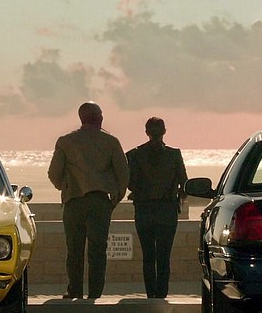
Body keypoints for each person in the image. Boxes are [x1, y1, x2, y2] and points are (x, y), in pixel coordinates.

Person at [48, 101, 129, 300]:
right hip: (100, 201)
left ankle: (75, 290)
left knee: (74, 249)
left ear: (81, 118)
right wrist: (115, 199)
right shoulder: (111, 141)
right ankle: (95, 293)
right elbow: (123, 175)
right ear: (99, 118)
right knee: (98, 251)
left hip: (74, 200)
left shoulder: (66, 141)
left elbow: (54, 173)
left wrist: (65, 188)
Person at [126, 117, 187, 299]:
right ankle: (161, 294)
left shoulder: (134, 155)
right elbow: (184, 183)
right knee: (163, 256)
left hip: (144, 210)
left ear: (146, 132)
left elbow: (130, 183)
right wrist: (178, 195)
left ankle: (151, 293)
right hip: (167, 210)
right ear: (164, 131)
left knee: (148, 256)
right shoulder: (174, 155)